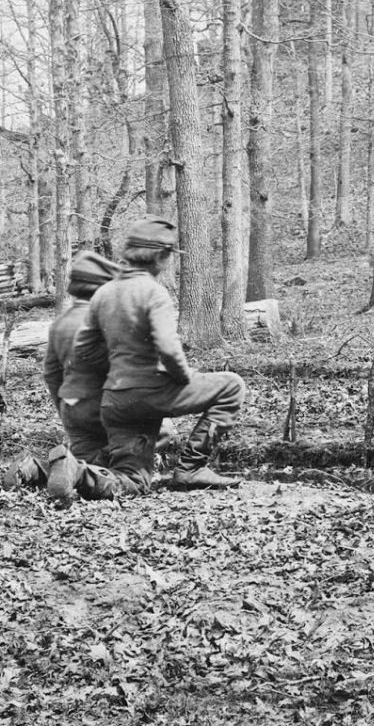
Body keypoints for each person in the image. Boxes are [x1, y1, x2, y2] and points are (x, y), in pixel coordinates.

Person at [75, 217, 244, 492]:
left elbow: (84, 352)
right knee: (232, 386)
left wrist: (118, 375)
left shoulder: (103, 294)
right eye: (168, 255)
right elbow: (167, 347)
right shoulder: (154, 292)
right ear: (160, 256)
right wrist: (182, 377)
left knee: (133, 481)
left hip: (115, 400)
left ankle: (71, 473)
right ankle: (192, 468)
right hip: (149, 392)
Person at [19, 245, 125, 509]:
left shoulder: (60, 324)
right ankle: (82, 473)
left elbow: (52, 375)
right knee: (134, 478)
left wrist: (68, 411)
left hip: (77, 418)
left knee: (82, 464)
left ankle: (34, 470)